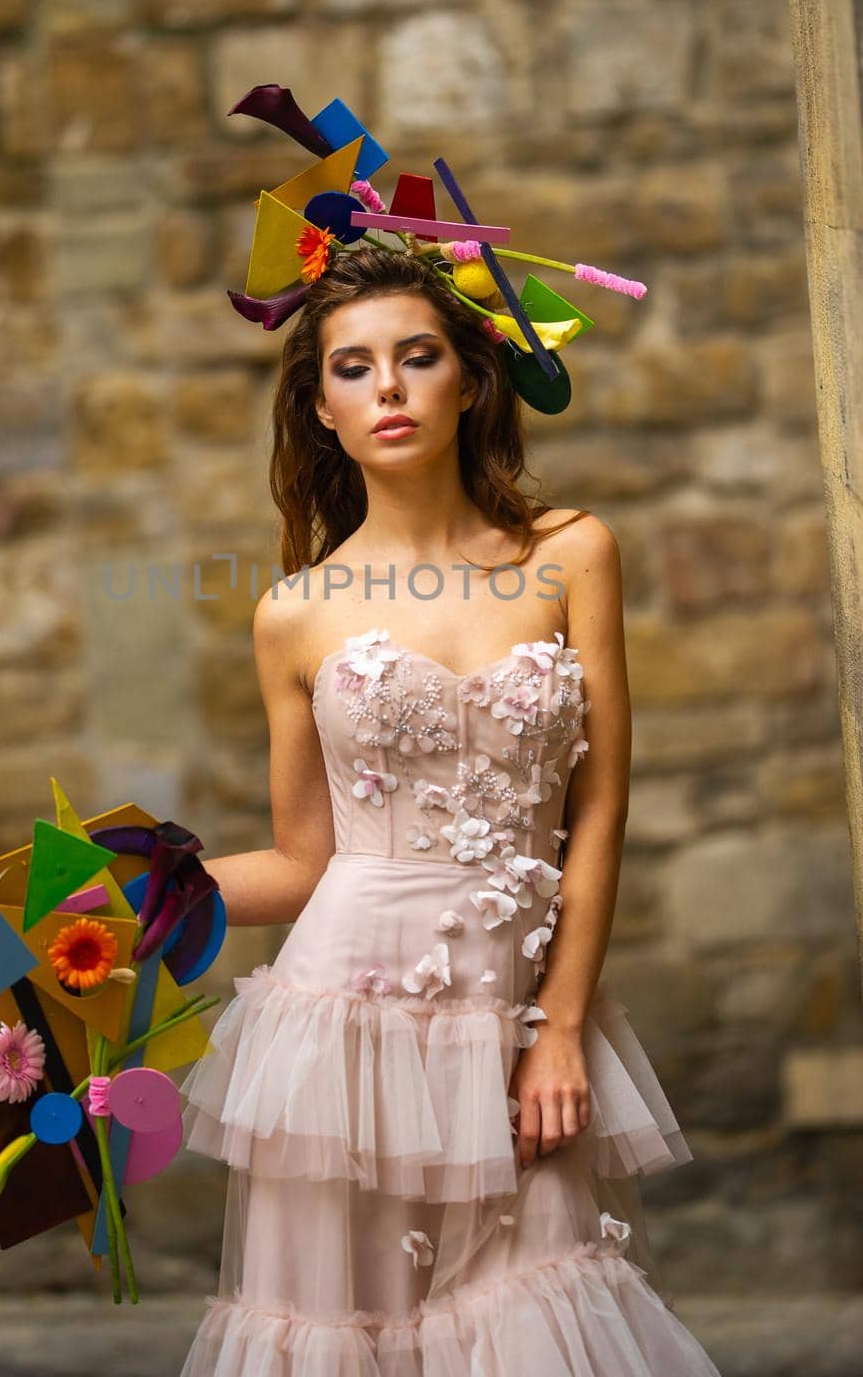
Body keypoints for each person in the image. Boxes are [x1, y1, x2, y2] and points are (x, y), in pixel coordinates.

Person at [176, 241, 724, 1374]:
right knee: (346, 1339)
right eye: (352, 366)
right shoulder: (294, 612)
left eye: (415, 357)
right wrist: (135, 895)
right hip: (346, 1035)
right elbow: (301, 859)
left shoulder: (572, 554)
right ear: (319, 406)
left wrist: (560, 1024)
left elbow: (603, 803)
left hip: (520, 1016)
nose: (386, 387)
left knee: (545, 1321)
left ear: (469, 379)